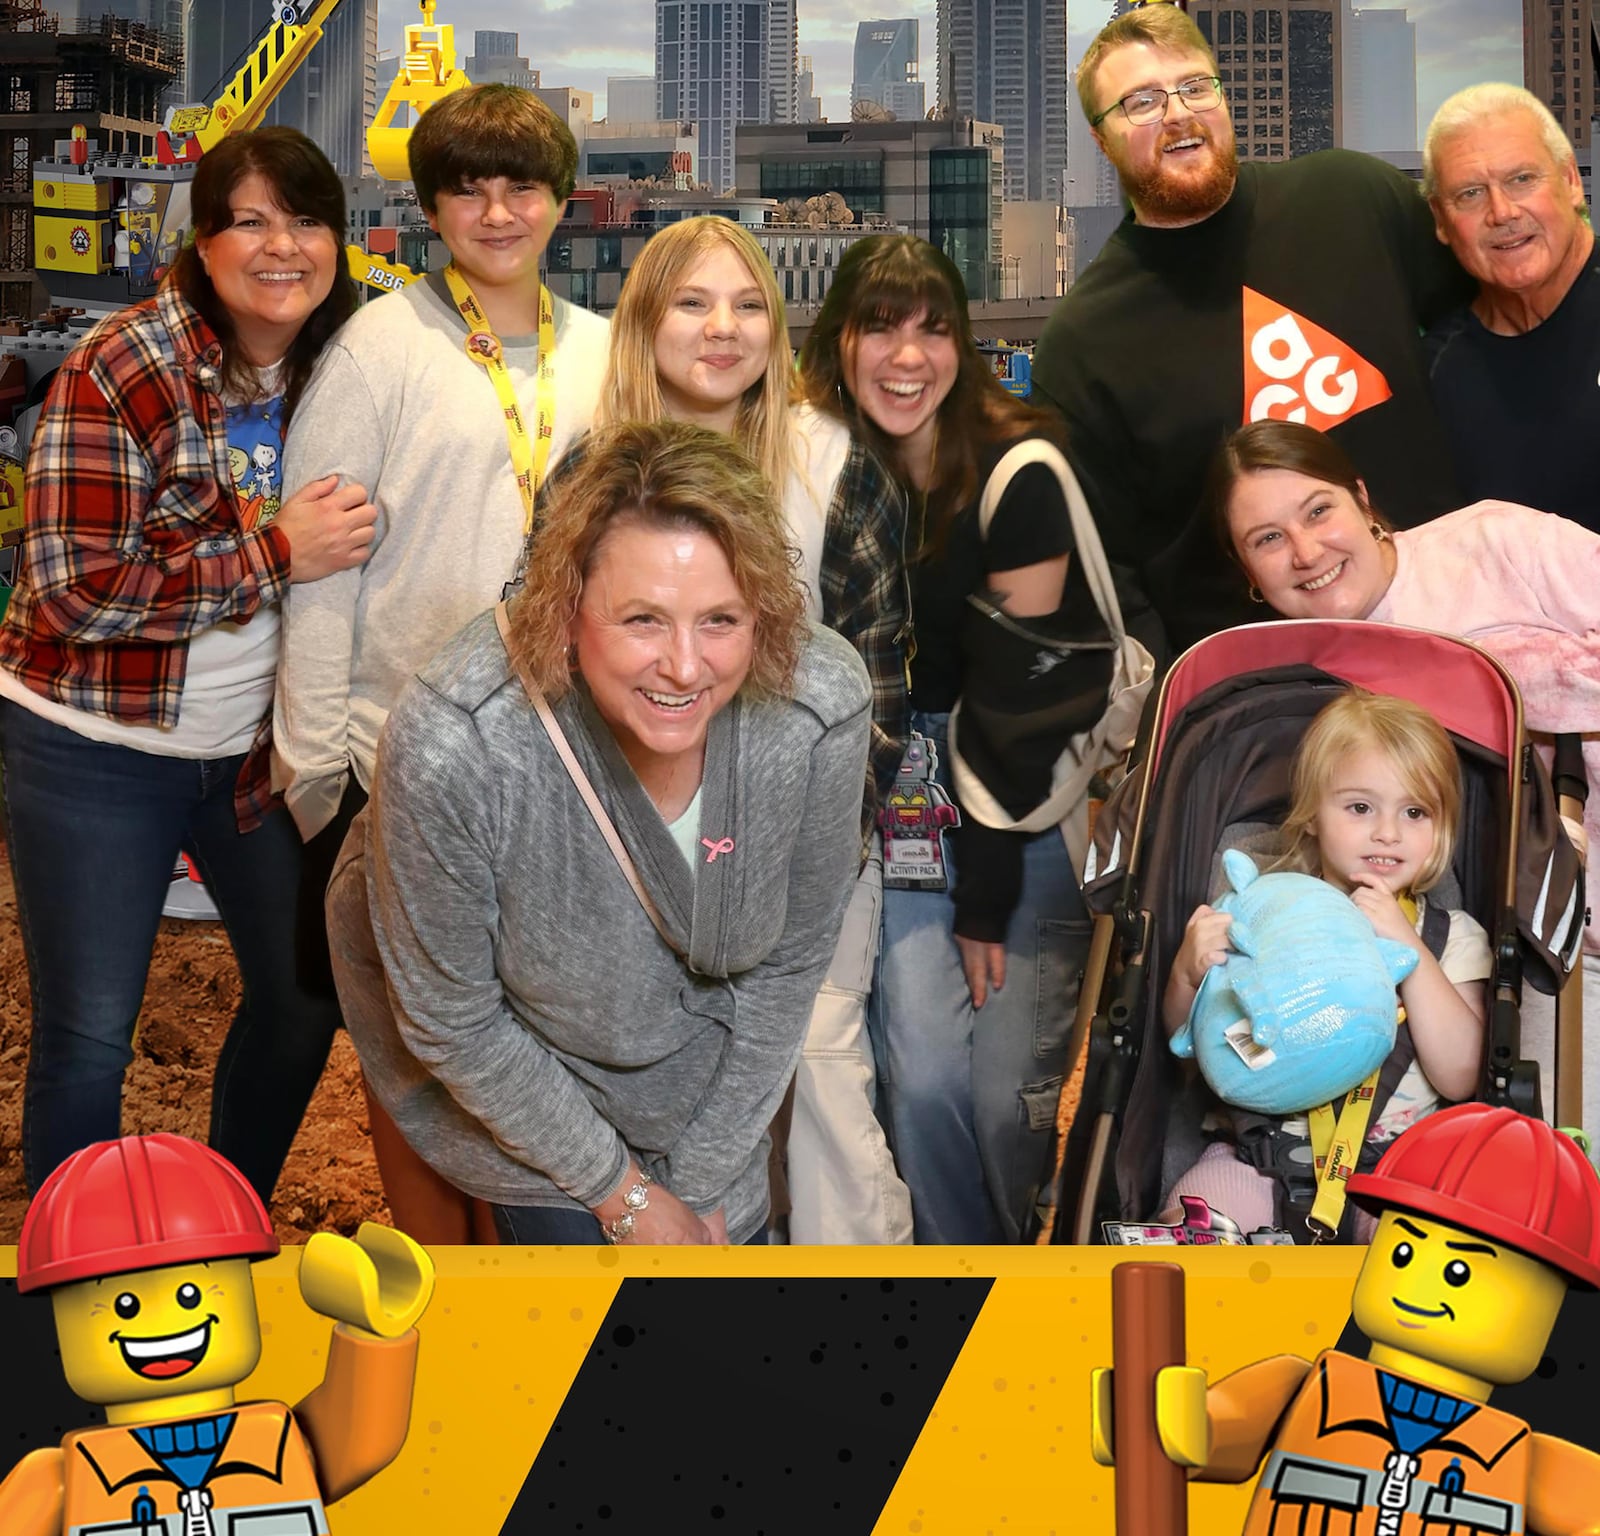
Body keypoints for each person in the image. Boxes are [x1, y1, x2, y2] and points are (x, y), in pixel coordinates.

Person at [326, 420, 871, 1246]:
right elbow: (454, 1017)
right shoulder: (460, 739)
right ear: (566, 607)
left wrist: (698, 1181)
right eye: (643, 620)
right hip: (529, 1093)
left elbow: (790, 964)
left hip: (714, 1098)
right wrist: (627, 1198)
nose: (685, 667)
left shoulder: (818, 705)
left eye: (721, 620)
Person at [0, 127, 375, 1204]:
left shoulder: (341, 364)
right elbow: (73, 591)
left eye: (306, 220)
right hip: (96, 744)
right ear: (200, 242)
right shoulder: (125, 364)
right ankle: (76, 1283)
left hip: (250, 754)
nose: (281, 246)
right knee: (88, 1035)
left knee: (306, 994)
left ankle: (219, 1218)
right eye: (248, 220)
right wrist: (275, 554)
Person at [272, 83, 609, 1240]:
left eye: (521, 184)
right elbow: (320, 570)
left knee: (537, 1043)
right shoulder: (380, 347)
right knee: (411, 1060)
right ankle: (442, 1298)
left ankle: (526, 1291)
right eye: (465, 187)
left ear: (563, 200)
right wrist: (318, 778)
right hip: (400, 764)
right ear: (430, 208)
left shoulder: (606, 354)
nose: (496, 210)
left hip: (568, 768)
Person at [573, 214, 913, 1244]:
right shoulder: (587, 474)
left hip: (802, 845)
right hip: (629, 845)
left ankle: (866, 1318)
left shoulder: (833, 467)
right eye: (692, 302)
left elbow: (882, 683)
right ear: (644, 321)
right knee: (646, 1077)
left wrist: (805, 857)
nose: (722, 327)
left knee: (811, 1060)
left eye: (748, 304)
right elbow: (553, 672)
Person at [797, 234, 1104, 1244]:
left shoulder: (1020, 473)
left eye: (934, 329)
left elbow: (1027, 706)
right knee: (916, 1074)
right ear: (837, 343)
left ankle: (1012, 1258)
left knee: (1003, 1096)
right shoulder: (825, 472)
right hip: (892, 793)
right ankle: (960, 1282)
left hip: (1016, 811)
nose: (906, 355)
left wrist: (982, 896)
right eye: (879, 326)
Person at [1207, 417, 1600, 1151]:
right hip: (1549, 946)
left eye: (1319, 509)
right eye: (1267, 539)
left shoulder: (1493, 542)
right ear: (1248, 574)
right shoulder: (1297, 683)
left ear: (1362, 499)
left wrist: (1508, 687)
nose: (1305, 552)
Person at [1029, 2, 1472, 652]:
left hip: (1458, 639)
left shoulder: (1354, 199)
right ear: (1101, 138)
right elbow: (1103, 580)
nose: (1177, 113)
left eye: (1193, 86)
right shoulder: (1080, 344)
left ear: (1221, 94)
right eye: (1141, 102)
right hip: (1265, 700)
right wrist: (1180, 718)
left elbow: (1495, 330)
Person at [1092, 1104, 1600, 1536]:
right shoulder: (1305, 1388)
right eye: (1403, 1253)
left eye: (1460, 1270)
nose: (1422, 1285)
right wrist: (1160, 1419)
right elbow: (1212, 1429)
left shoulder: (1520, 1455)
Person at [1162, 690, 1490, 1242]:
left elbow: (1460, 1076)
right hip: (1260, 1148)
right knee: (1196, 1216)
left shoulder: (1450, 937)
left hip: (1397, 1160)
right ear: (1313, 814)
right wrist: (1186, 974)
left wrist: (1408, 951)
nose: (1388, 832)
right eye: (1360, 808)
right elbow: (1191, 1043)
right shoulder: (1261, 912)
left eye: (1415, 812)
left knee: (1424, 1240)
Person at [1422, 84, 1600, 534]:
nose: (1502, 212)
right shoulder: (1437, 374)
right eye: (1470, 194)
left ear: (1571, 182)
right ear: (1441, 221)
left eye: (1522, 179)